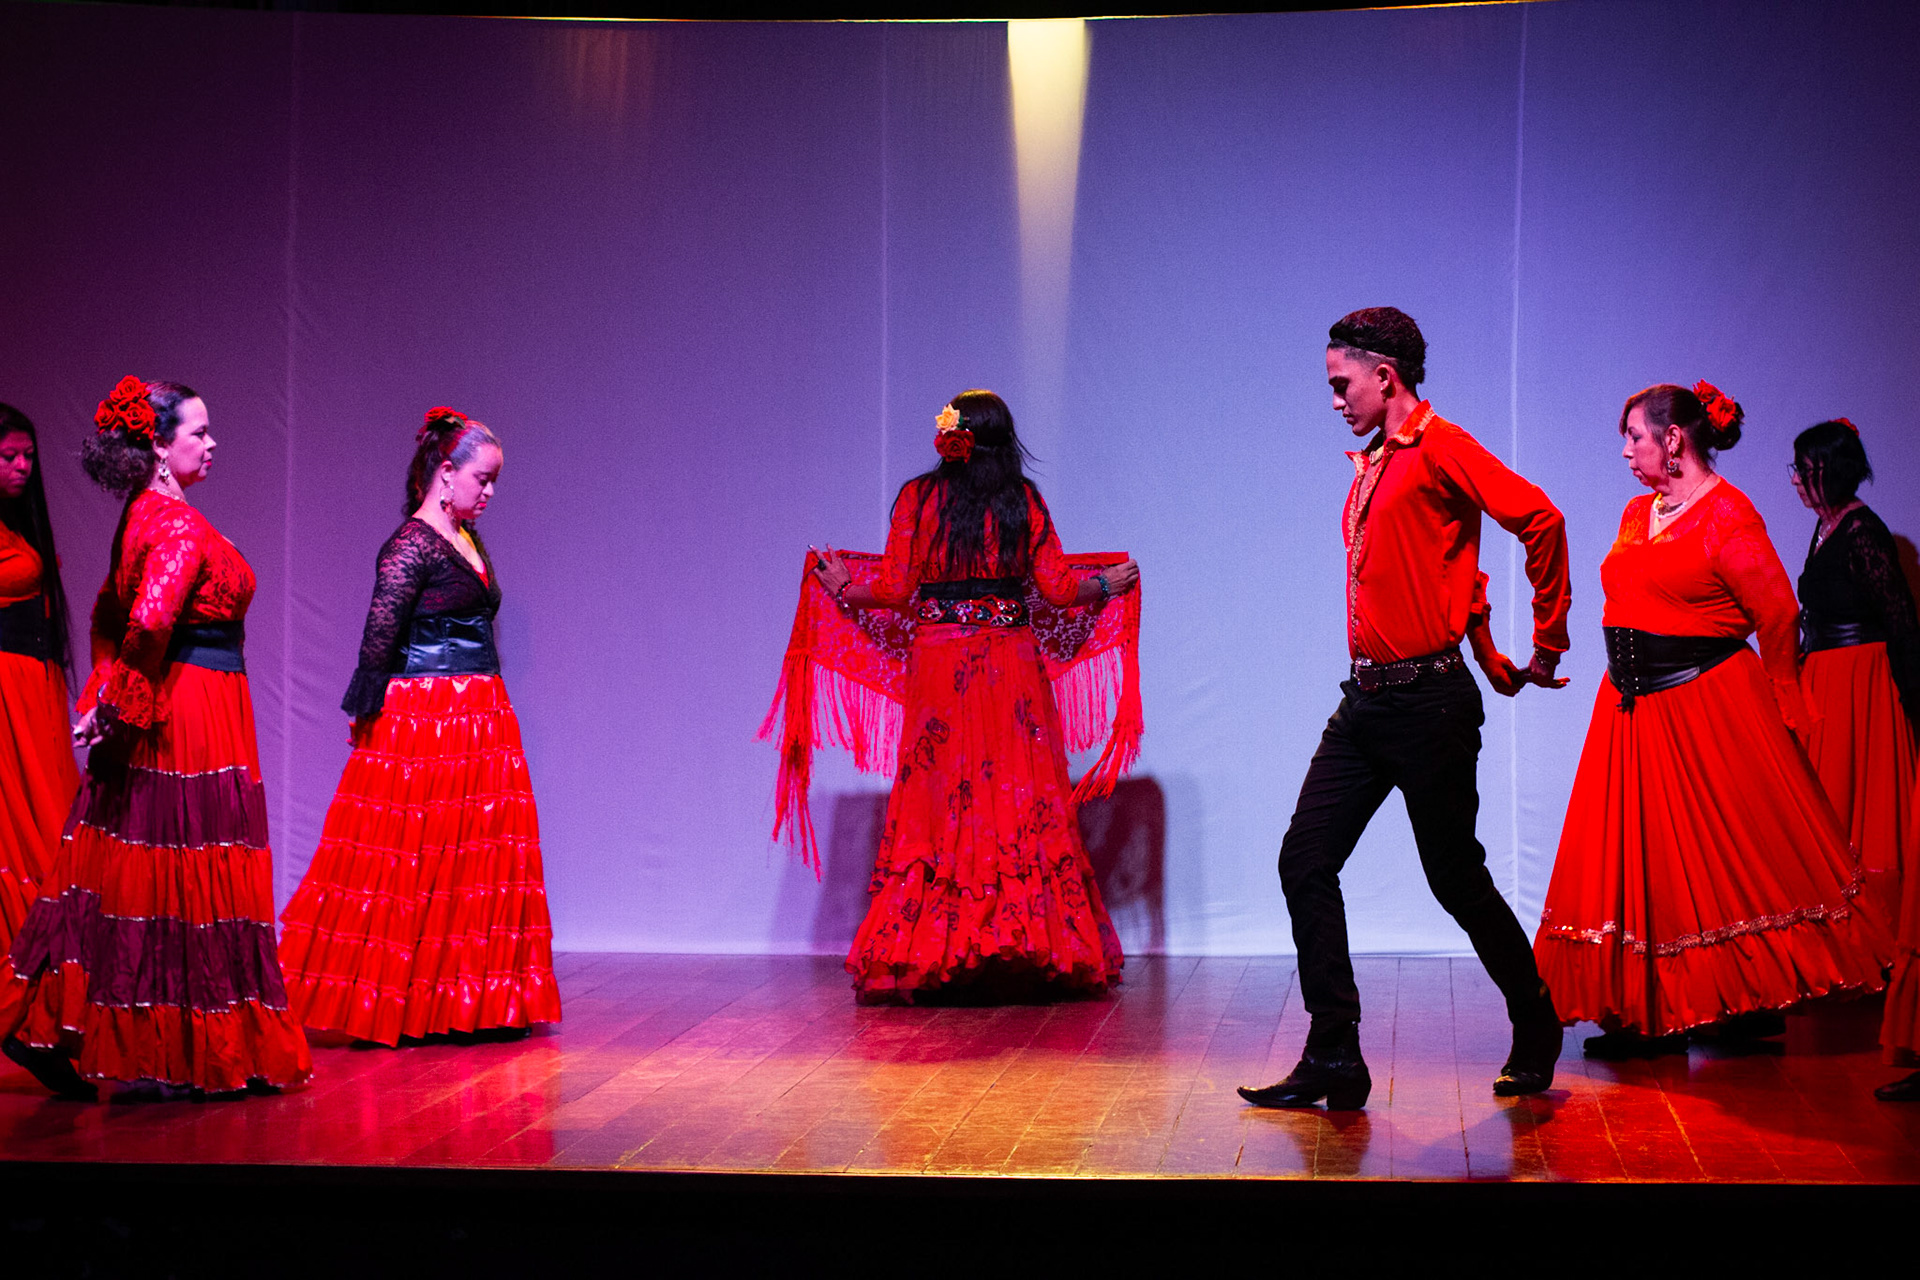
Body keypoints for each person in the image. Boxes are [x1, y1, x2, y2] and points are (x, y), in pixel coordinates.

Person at [1238, 308, 1570, 1110]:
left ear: (1384, 377)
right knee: (1303, 860)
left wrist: (1545, 645)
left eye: (1340, 384)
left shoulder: (1440, 446)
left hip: (1429, 705)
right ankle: (1334, 1052)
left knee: (1454, 878)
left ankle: (1535, 1019)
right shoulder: (1376, 462)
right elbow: (1450, 567)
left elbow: (1540, 519)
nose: (1333, 401)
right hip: (1366, 702)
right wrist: (1489, 646)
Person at [1532, 384, 1889, 1059]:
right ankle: (1649, 1011)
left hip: (1703, 700)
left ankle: (1740, 1002)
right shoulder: (1639, 510)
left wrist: (1783, 698)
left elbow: (1777, 612)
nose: (1626, 451)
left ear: (1673, 439)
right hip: (1631, 708)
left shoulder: (1729, 512)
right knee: (1645, 862)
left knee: (1720, 856)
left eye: (1635, 436)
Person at [0, 377, 311, 1100]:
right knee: (181, 870)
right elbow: (145, 620)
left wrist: (105, 697)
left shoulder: (144, 514)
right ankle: (189, 1047)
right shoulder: (171, 523)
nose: (212, 442)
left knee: (133, 869)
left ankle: (140, 1039)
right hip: (191, 709)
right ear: (160, 448)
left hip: (190, 700)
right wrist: (118, 701)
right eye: (198, 432)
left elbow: (109, 613)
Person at [802, 390, 1138, 1001]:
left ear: (952, 437)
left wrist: (846, 589)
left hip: (939, 665)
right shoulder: (1022, 500)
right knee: (1017, 792)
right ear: (1005, 440)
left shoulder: (919, 498)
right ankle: (1030, 944)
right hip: (1009, 664)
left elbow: (896, 588)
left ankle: (932, 948)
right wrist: (1106, 584)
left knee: (939, 798)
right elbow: (1060, 592)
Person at [277, 407, 560, 1045]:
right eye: (482, 479)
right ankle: (400, 1005)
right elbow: (379, 635)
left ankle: (470, 1002)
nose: (490, 492)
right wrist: (369, 715)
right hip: (429, 715)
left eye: (494, 481)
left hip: (479, 710)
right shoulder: (410, 544)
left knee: (475, 857)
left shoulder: (465, 538)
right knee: (414, 858)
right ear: (445, 472)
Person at [1789, 420, 1920, 1101]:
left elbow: (1900, 620)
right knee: (1829, 820)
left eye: (1804, 469)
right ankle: (1843, 963)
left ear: (1830, 472)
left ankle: (1880, 961)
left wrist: (1910, 704)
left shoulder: (1865, 533)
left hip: (1864, 686)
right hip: (1827, 685)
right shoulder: (1824, 528)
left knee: (1868, 818)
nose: (1795, 480)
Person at [0, 404, 80, 954]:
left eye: (28, 456)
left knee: (52, 810)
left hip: (37, 684)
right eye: (9, 456)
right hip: (8, 685)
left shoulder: (19, 526)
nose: (23, 466)